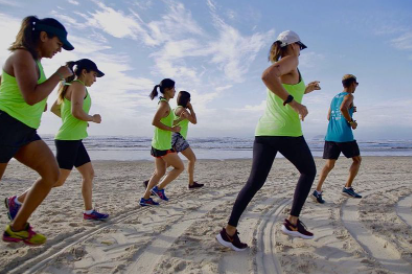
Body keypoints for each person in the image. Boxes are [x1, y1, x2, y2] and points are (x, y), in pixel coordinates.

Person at [216, 30, 321, 251]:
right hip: (286, 132)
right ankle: (292, 222)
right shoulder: (291, 60)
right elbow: (266, 76)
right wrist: (295, 104)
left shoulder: (287, 66)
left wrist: (305, 90)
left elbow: (284, 88)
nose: (300, 51)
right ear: (293, 45)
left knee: (254, 183)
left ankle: (229, 232)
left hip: (264, 132)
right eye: (300, 46)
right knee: (309, 171)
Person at [1, 16, 74, 245]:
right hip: (6, 126)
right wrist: (59, 75)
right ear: (44, 36)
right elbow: (31, 96)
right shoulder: (22, 55)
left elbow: (29, 94)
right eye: (58, 44)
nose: (59, 50)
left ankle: (17, 228)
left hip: (24, 131)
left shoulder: (34, 61)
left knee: (52, 175)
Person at [9, 59, 109, 221]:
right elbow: (76, 112)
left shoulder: (69, 86)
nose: (95, 79)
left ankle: (89, 212)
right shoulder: (78, 86)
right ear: (84, 72)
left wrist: (74, 121)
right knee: (57, 180)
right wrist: (92, 118)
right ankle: (17, 201)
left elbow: (56, 108)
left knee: (89, 174)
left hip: (74, 138)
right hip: (68, 139)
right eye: (94, 75)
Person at [312, 74, 362, 204]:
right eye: (356, 84)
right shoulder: (349, 96)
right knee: (357, 160)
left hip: (330, 136)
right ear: (352, 84)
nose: (356, 86)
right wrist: (351, 121)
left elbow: (329, 116)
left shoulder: (334, 98)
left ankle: (317, 191)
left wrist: (350, 111)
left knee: (330, 164)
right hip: (344, 136)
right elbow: (342, 108)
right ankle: (347, 187)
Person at [143, 91, 203, 189]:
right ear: (187, 100)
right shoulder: (182, 110)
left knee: (169, 163)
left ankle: (150, 182)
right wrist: (191, 109)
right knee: (192, 159)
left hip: (173, 137)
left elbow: (172, 123)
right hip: (178, 138)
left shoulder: (175, 109)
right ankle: (191, 183)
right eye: (189, 99)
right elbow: (194, 121)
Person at [139, 79, 185, 206]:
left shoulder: (165, 104)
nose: (175, 91)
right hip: (163, 144)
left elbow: (166, 122)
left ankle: (145, 198)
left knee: (159, 172)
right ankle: (159, 188)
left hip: (158, 143)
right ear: (167, 90)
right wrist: (172, 129)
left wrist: (178, 120)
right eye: (173, 89)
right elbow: (155, 121)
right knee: (180, 167)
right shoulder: (164, 104)